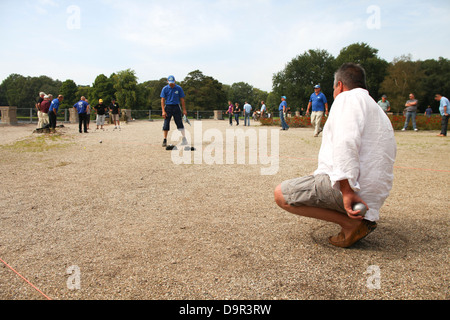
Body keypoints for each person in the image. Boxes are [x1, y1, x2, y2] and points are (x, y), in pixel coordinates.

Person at [274, 63, 397, 248]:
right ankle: (358, 218)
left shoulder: (346, 99)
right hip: (374, 195)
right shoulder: (376, 108)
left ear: (339, 85)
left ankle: (351, 223)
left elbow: (346, 142)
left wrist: (347, 190)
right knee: (313, 179)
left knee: (281, 195)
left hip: (356, 192)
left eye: (333, 88)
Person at [161, 75, 188, 147]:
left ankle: (184, 139)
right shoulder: (165, 89)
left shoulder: (178, 88)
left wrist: (184, 110)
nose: (171, 84)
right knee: (166, 124)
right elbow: (162, 100)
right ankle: (164, 139)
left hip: (176, 107)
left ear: (174, 81)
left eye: (172, 82)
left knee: (179, 123)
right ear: (167, 81)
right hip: (168, 107)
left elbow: (182, 99)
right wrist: (163, 111)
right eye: (170, 82)